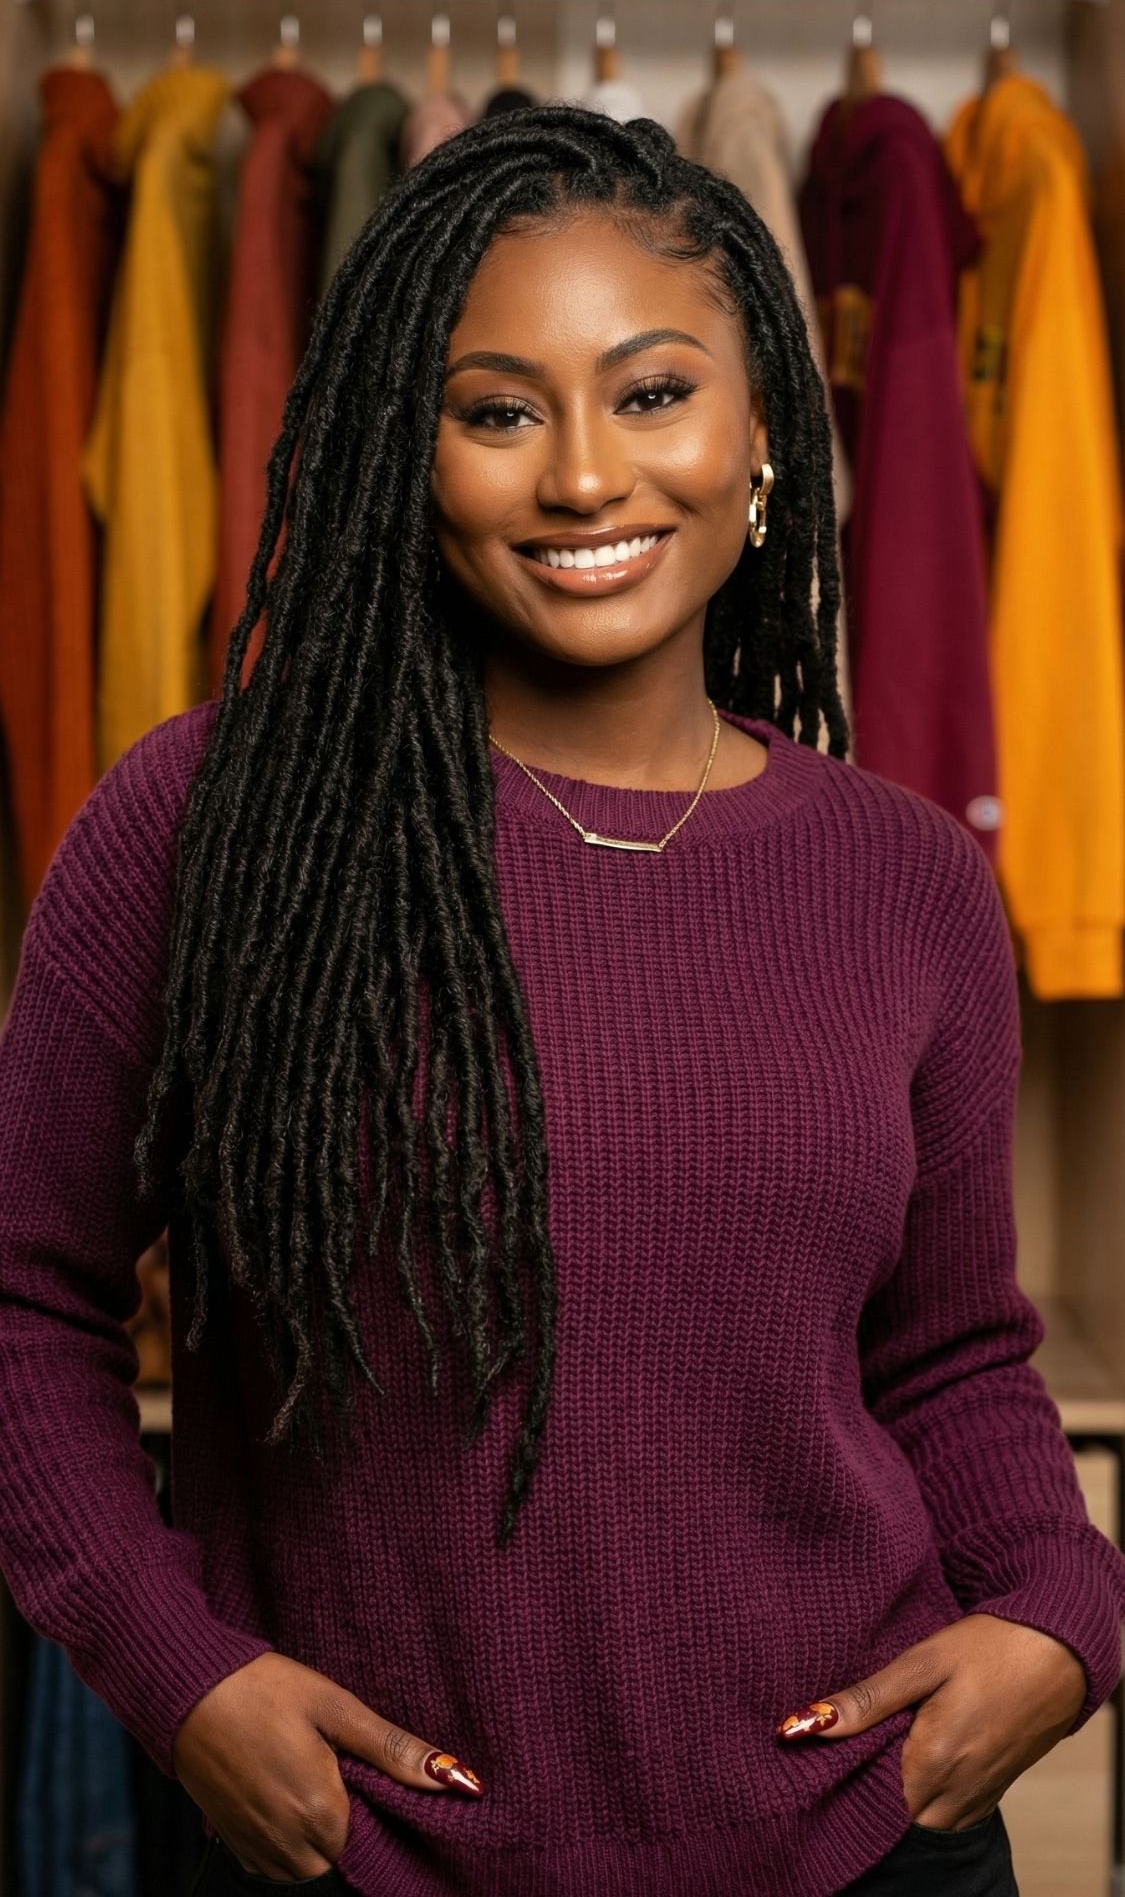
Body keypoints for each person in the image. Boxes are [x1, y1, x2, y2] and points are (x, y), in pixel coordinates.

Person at [0, 105, 1121, 1897]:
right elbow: (22, 1302)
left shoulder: (907, 878)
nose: (586, 475)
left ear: (762, 434)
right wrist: (180, 1672)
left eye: (655, 392)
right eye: (498, 410)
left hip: (858, 1844)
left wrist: (1062, 1616)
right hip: (354, 1860)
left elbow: (949, 1356)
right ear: (405, 451)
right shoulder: (208, 823)